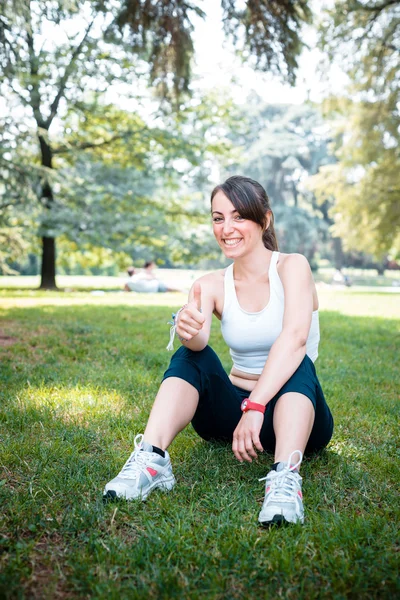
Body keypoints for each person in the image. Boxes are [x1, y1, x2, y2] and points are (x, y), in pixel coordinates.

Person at [104, 176, 334, 526]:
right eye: (218, 217)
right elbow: (197, 347)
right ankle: (151, 459)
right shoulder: (210, 283)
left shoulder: (292, 267)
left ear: (265, 220)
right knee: (189, 357)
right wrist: (189, 329)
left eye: (239, 216)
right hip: (231, 417)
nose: (227, 228)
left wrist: (257, 405)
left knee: (295, 360)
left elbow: (295, 338)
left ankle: (285, 479)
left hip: (297, 415)